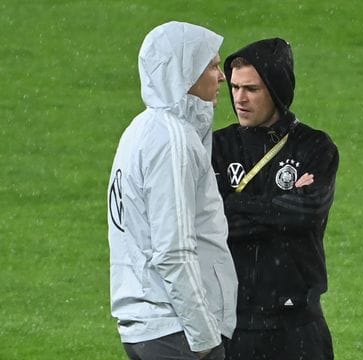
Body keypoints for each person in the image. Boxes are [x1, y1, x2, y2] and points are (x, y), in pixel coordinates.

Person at [107, 21, 237, 360]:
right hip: (175, 329)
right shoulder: (171, 140)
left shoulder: (142, 129)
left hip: (153, 325)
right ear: (185, 72)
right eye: (212, 65)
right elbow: (173, 250)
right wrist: (206, 339)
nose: (222, 76)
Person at [211, 38, 338, 360]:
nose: (239, 98)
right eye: (235, 87)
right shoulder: (217, 146)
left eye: (251, 89)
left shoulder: (315, 147)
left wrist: (233, 205)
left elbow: (305, 214)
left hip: (298, 325)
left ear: (277, 90)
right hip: (232, 322)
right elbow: (212, 220)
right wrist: (281, 203)